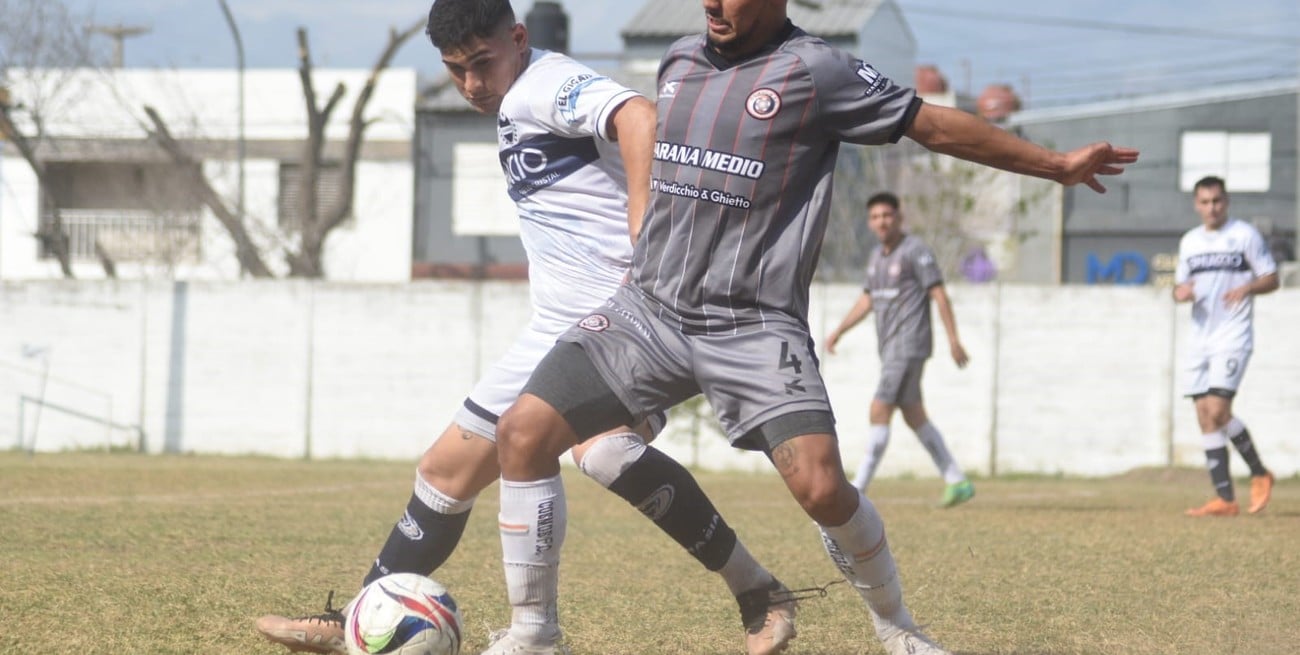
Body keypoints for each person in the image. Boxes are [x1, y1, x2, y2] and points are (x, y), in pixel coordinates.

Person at [487, 1, 1138, 654]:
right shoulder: (678, 59)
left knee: (823, 488)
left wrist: (1056, 165)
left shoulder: (815, 71)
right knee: (522, 434)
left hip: (751, 324)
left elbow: (934, 126)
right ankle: (534, 636)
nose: (711, 3)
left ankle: (898, 630)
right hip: (648, 310)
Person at [254, 2, 796, 654]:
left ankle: (749, 593)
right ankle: (357, 623)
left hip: (620, 321)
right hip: (554, 328)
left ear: (518, 38)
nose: (471, 84)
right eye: (455, 70)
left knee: (602, 451)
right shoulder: (515, 100)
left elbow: (639, 116)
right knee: (444, 472)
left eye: (482, 63)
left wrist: (643, 229)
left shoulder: (545, 83)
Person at [824, 192, 975, 507]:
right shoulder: (876, 258)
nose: (881, 222)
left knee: (879, 408)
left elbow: (939, 294)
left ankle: (857, 490)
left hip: (909, 344)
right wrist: (839, 331)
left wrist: (953, 339)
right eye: (875, 217)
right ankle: (957, 480)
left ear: (899, 218)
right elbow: (867, 300)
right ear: (869, 222)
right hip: (890, 347)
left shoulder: (915, 250)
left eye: (887, 215)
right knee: (913, 413)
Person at [1173, 175, 1278, 517]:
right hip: (1199, 338)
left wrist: (1247, 288)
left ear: (1226, 201)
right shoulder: (1190, 242)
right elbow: (1179, 287)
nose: (1212, 208)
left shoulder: (1244, 235)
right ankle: (1225, 499)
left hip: (1233, 337)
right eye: (1205, 202)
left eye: (1217, 201)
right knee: (1205, 416)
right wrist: (1180, 293)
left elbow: (1271, 278)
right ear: (1196, 205)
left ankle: (1260, 473)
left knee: (1218, 411)